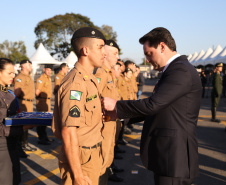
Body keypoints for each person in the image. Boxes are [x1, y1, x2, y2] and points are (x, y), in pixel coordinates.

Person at [102, 27, 202, 185]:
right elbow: (158, 107)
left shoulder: (180, 70)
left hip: (174, 157)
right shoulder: (174, 70)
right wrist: (119, 115)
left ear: (162, 46)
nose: (147, 60)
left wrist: (116, 105)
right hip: (169, 156)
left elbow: (153, 104)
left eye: (149, 53)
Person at [51, 27, 106, 185]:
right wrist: (78, 175)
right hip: (81, 160)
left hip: (91, 154)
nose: (104, 53)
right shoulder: (76, 83)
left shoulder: (89, 78)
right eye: (100, 47)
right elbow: (69, 131)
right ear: (86, 50)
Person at [94, 39, 122, 184]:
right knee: (101, 164)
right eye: (115, 53)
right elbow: (92, 99)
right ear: (105, 55)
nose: (117, 57)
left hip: (110, 125)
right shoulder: (101, 74)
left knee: (107, 159)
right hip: (103, 126)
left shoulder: (109, 74)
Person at [0, 58, 32, 185]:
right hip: (2, 147)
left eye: (14, 73)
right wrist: (23, 127)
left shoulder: (8, 93)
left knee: (15, 179)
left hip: (12, 144)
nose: (13, 76)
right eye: (9, 73)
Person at [14, 60, 37, 155]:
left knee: (26, 125)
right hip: (23, 103)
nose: (31, 66)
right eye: (29, 64)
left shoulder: (28, 77)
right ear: (24, 66)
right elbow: (16, 93)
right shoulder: (20, 78)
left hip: (29, 104)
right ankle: (19, 147)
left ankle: (25, 144)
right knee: (22, 125)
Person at [36, 64, 53, 145]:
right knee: (41, 121)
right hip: (42, 101)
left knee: (45, 121)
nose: (49, 72)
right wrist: (40, 100)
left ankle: (45, 137)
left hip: (47, 101)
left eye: (50, 70)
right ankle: (41, 138)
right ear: (44, 70)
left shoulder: (48, 78)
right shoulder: (41, 79)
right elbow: (37, 92)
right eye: (48, 70)